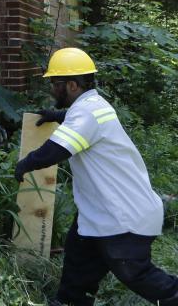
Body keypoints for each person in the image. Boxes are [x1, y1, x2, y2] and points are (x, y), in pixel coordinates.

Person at [15, 47, 178, 306]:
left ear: (71, 85)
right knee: (79, 256)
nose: (51, 90)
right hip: (101, 212)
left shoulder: (87, 112)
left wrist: (25, 164)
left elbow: (57, 149)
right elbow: (76, 119)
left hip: (122, 215)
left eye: (55, 84)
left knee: (134, 273)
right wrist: (56, 116)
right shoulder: (93, 105)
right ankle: (69, 301)